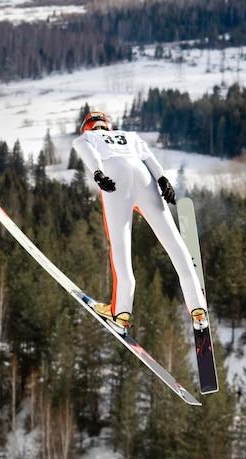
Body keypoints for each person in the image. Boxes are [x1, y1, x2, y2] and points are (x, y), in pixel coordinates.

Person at [72, 111, 208, 331]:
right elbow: (150, 159)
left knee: (121, 247)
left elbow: (89, 154)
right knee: (175, 244)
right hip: (144, 176)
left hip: (115, 174)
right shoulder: (130, 136)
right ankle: (198, 310)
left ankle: (121, 313)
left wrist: (98, 174)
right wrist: (163, 180)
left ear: (87, 126)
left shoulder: (87, 137)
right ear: (109, 126)